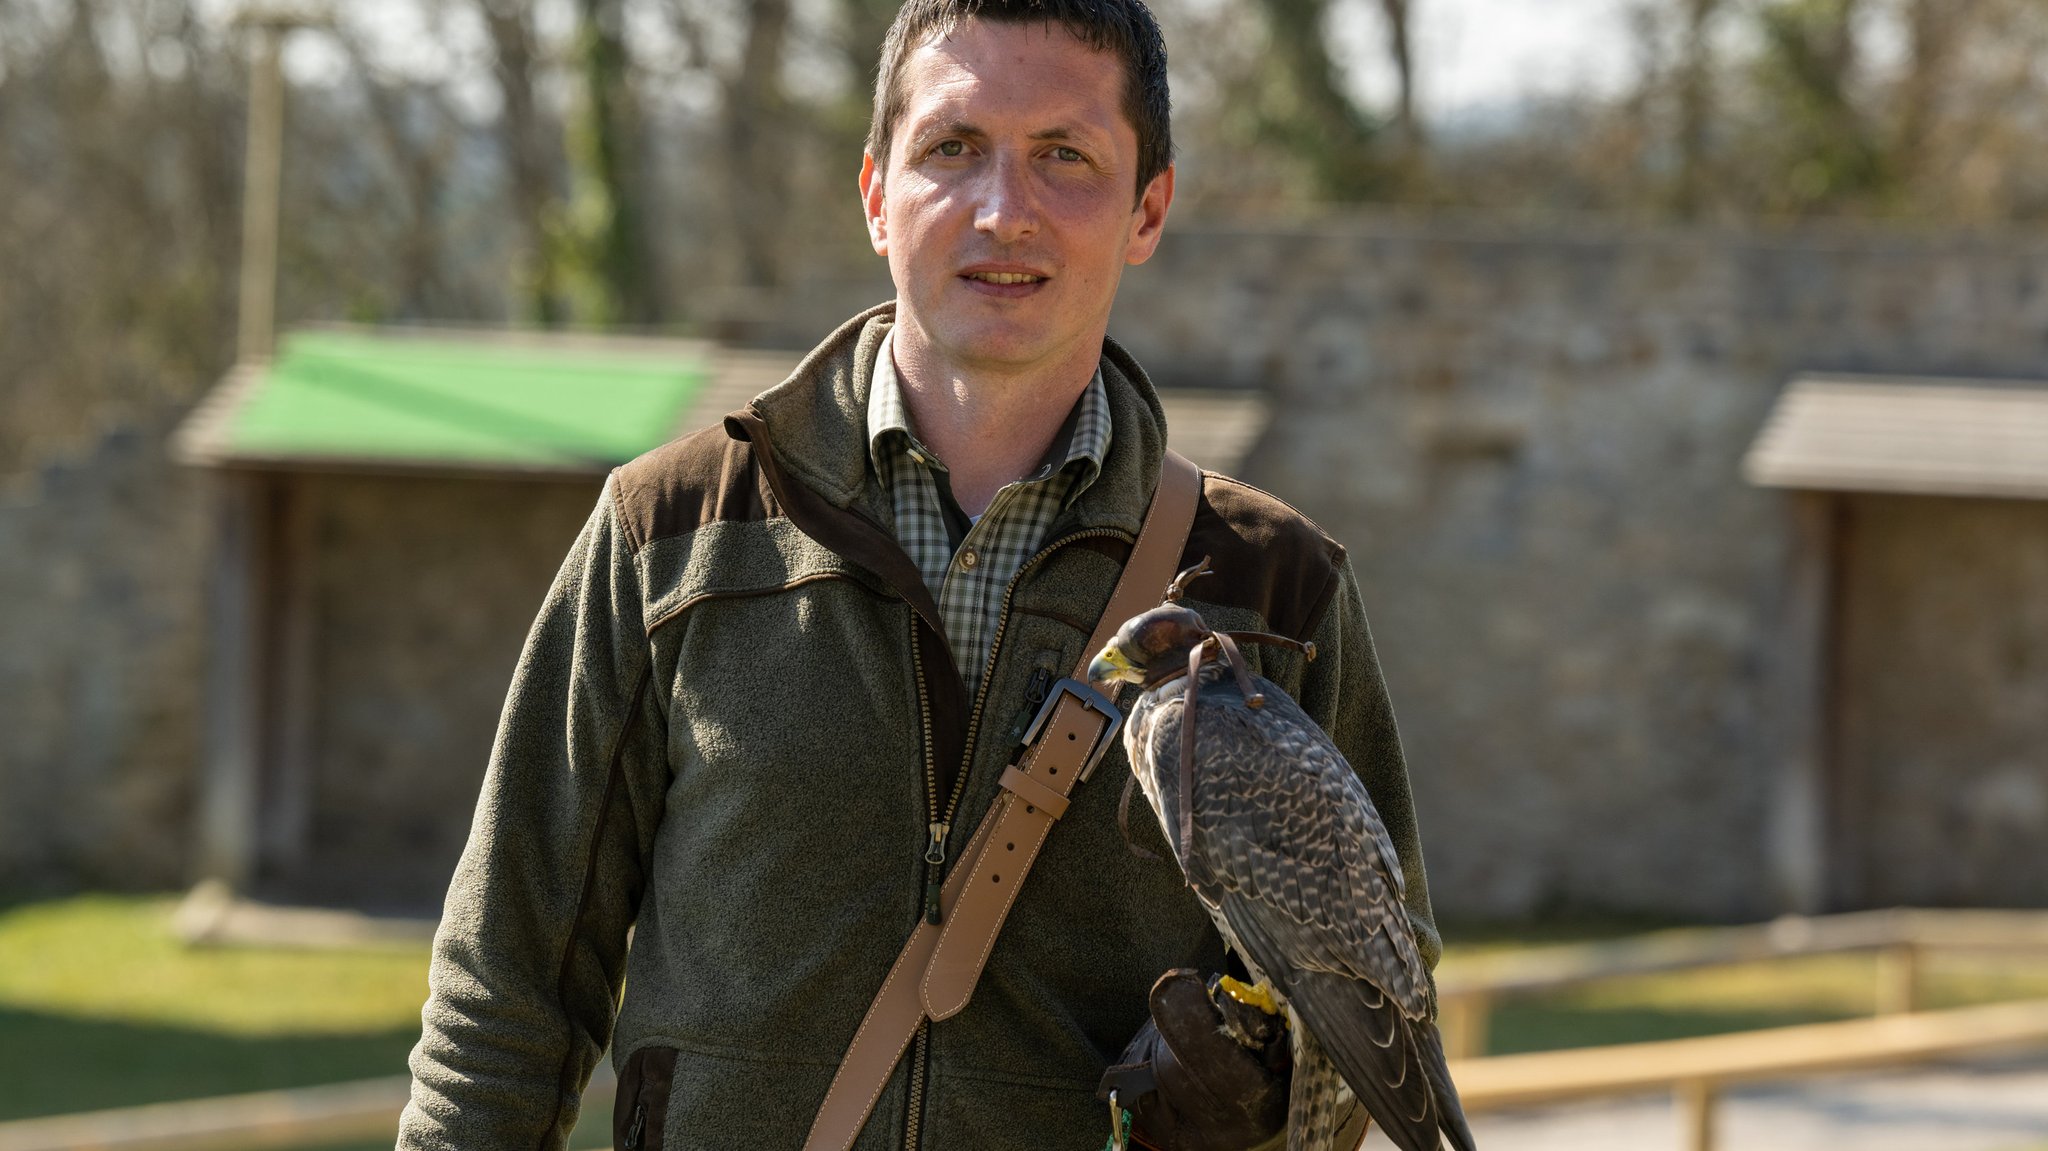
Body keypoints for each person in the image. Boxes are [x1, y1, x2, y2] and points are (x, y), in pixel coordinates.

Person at [396, 1, 1442, 1148]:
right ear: (874, 195)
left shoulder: (1272, 594)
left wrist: (1272, 1109)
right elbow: (502, 1004)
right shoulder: (670, 533)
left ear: (1147, 209)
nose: (1004, 211)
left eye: (1065, 157)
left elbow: (1382, 1009)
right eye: (951, 149)